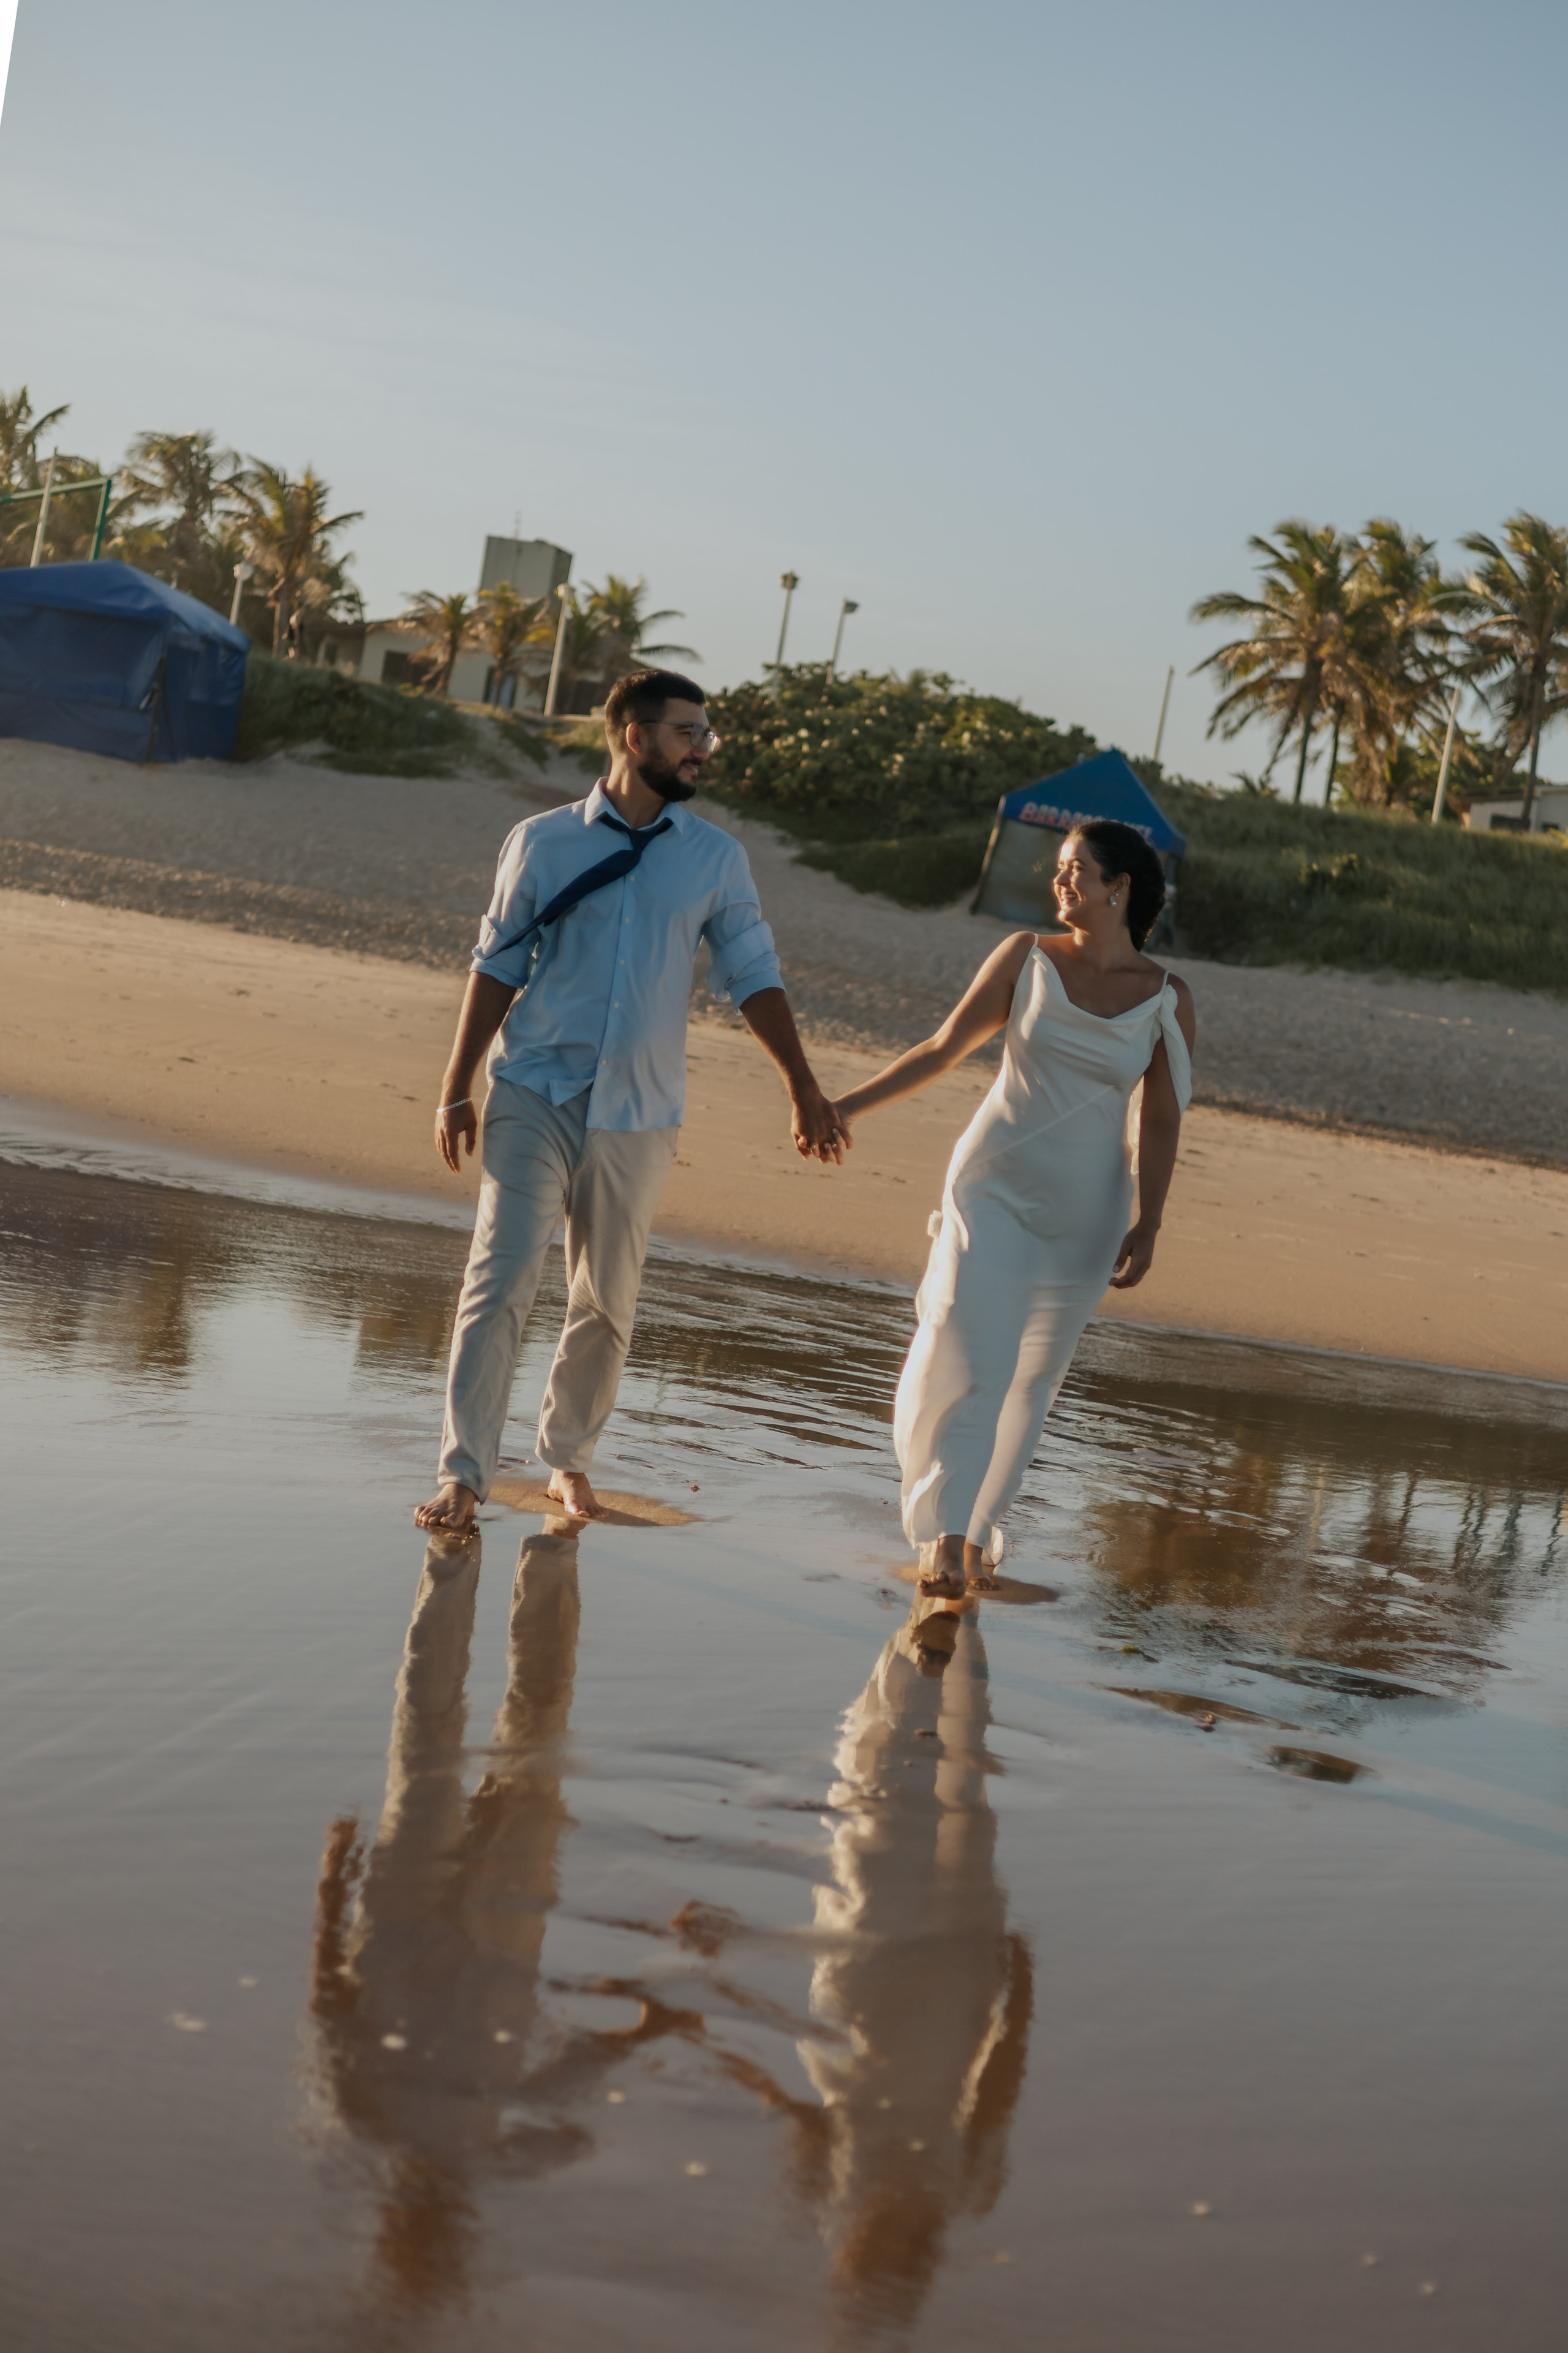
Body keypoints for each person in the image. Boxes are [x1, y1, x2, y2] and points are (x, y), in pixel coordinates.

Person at [415, 670, 846, 1534]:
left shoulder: (716, 858)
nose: (703, 750)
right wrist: (454, 1087)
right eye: (689, 733)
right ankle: (463, 1474)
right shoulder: (541, 841)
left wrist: (802, 1083)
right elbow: (497, 963)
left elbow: (752, 972)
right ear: (634, 736)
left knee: (605, 1299)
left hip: (640, 1108)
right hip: (534, 1087)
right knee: (498, 1280)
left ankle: (567, 1458)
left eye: (706, 735)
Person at [830, 819, 1196, 1597]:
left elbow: (1162, 1120)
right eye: (1059, 867)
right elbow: (942, 1049)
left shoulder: (1166, 999)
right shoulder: (1026, 957)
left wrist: (1151, 1221)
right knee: (970, 1353)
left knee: (1033, 1381)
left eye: (1076, 869)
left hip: (1087, 1216)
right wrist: (845, 1107)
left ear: (1119, 887)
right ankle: (945, 1537)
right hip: (992, 1187)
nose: (1059, 880)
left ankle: (975, 1531)